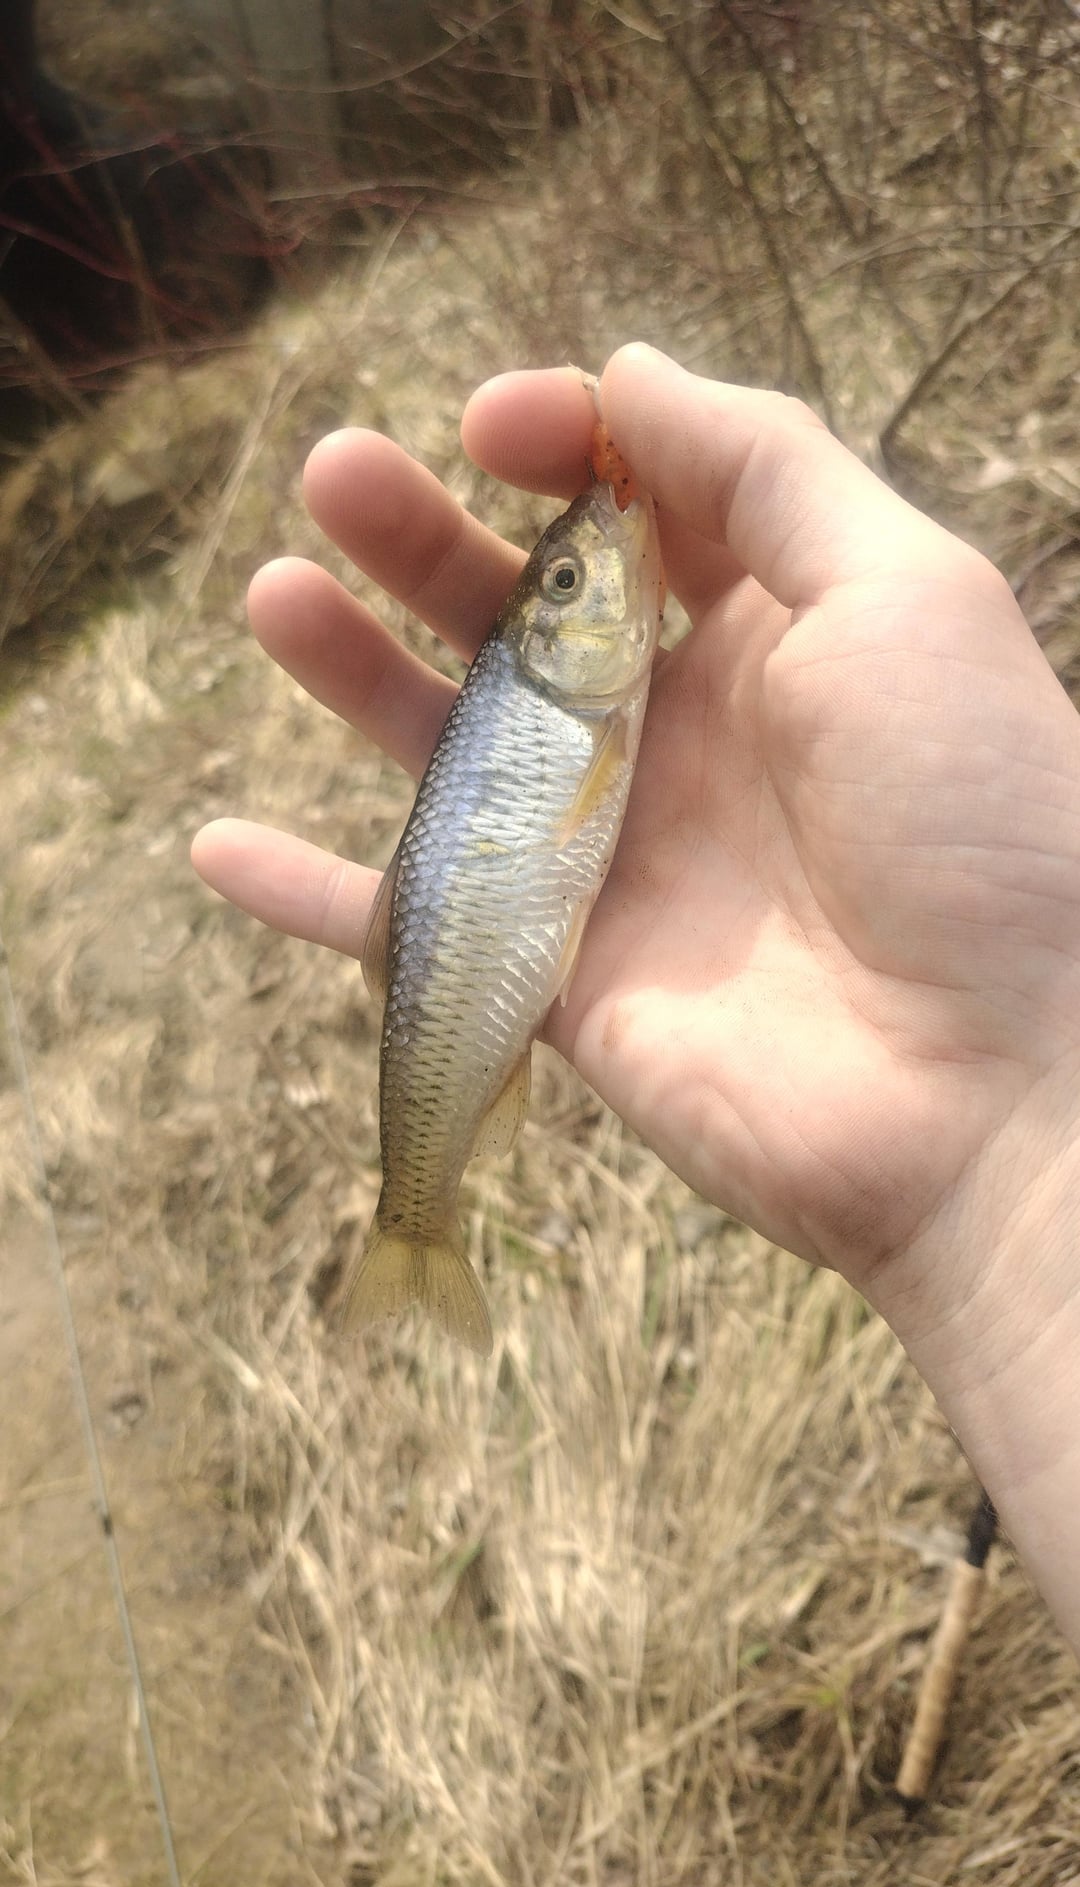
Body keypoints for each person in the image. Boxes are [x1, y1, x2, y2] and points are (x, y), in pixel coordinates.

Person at [192, 343, 1080, 1655]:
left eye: (563, 582)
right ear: (552, 630)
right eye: (566, 585)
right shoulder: (567, 703)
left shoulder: (599, 686)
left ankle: (413, 1224)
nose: (588, 575)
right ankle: (415, 1222)